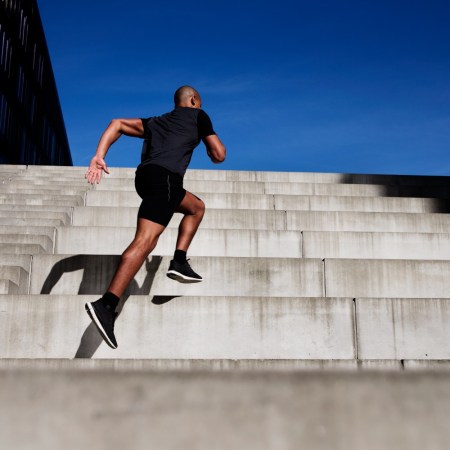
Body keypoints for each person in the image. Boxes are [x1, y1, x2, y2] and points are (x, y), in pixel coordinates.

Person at [84, 86, 226, 349]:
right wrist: (208, 147)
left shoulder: (156, 122)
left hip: (146, 179)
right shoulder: (198, 115)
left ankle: (179, 262)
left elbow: (117, 123)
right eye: (198, 101)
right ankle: (106, 305)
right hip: (166, 179)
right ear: (193, 100)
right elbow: (219, 154)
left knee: (196, 207)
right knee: (146, 241)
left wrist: (99, 156)